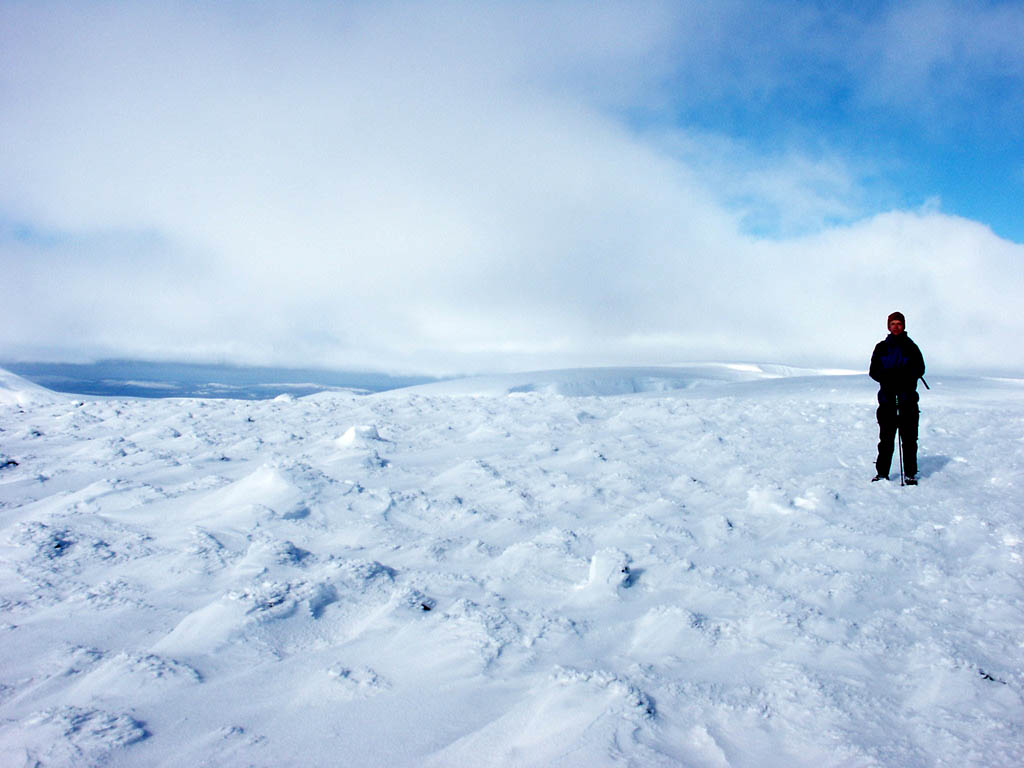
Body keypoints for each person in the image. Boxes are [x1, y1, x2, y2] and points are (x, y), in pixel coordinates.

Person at [869, 311, 925, 484]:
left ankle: (910, 474)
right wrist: (887, 378)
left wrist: (905, 378)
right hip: (887, 401)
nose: (896, 327)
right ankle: (882, 473)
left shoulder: (911, 347)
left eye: (898, 323)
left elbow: (920, 369)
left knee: (909, 440)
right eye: (892, 324)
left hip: (907, 401)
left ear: (903, 326)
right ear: (888, 326)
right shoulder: (881, 347)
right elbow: (873, 371)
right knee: (886, 440)